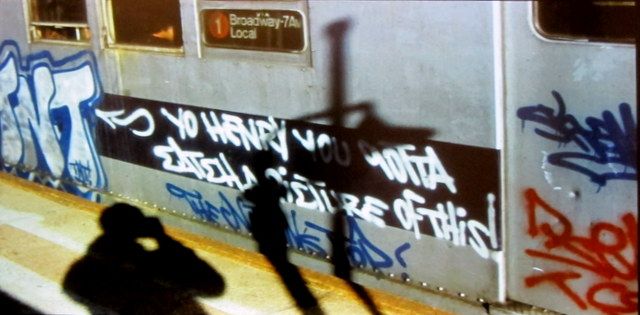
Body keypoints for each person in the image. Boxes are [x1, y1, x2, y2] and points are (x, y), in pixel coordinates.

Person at [63, 203, 224, 314]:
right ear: (140, 229)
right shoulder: (157, 267)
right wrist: (162, 238)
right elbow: (214, 286)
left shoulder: (79, 273)